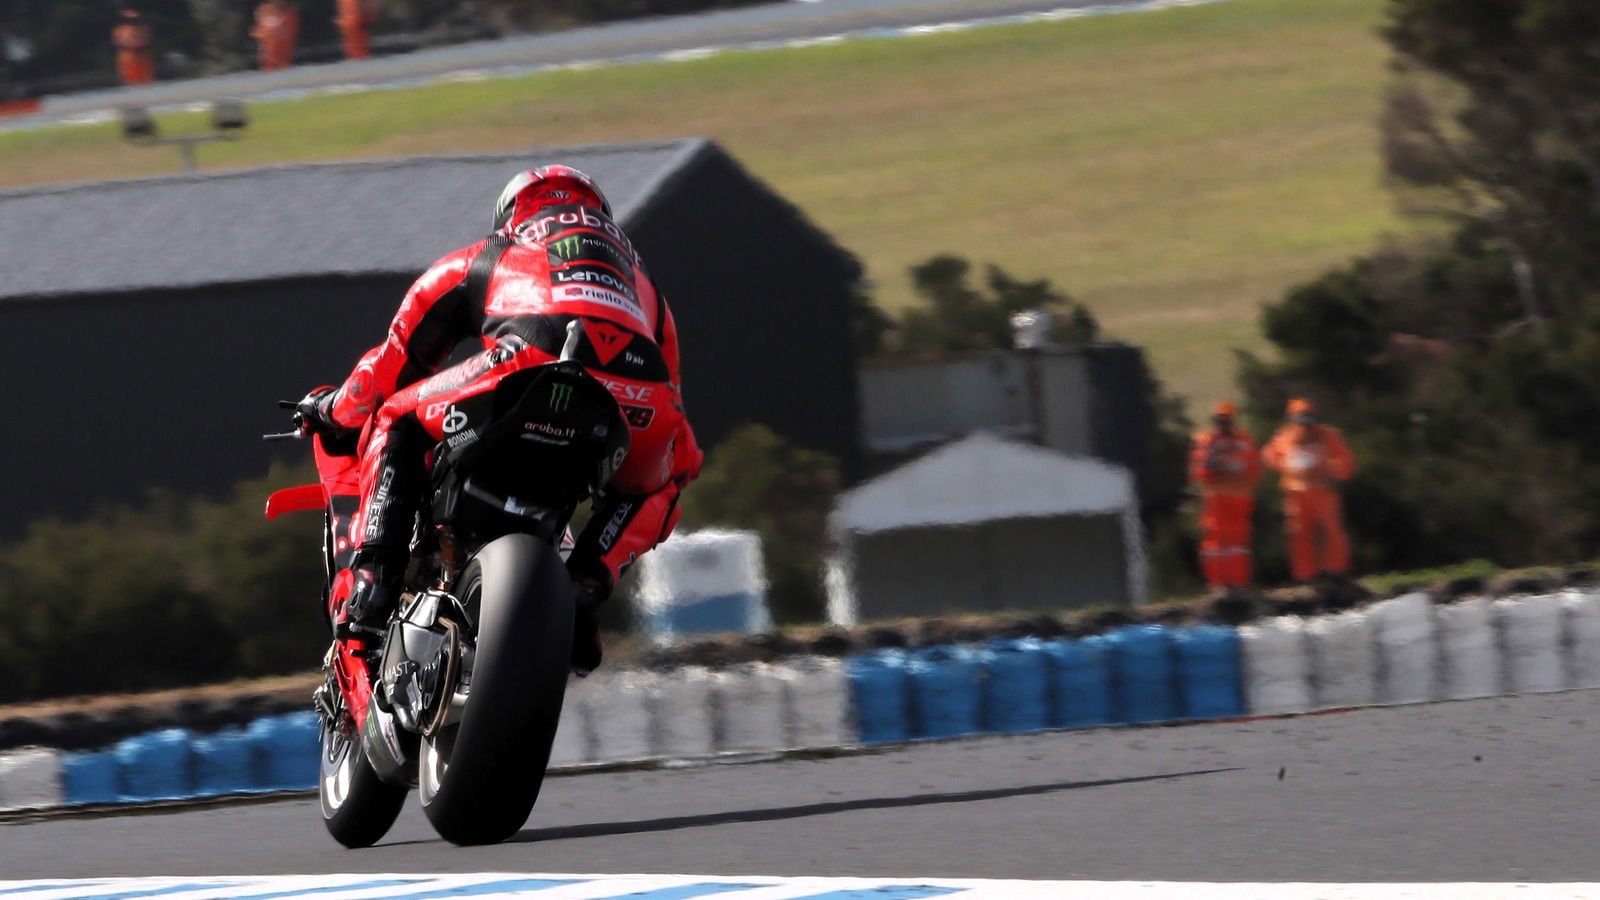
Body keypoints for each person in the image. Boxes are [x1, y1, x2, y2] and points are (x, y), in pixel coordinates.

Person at [295, 165, 702, 673]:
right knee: (660, 485)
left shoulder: (492, 251)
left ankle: (373, 586)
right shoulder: (650, 292)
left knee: (396, 420)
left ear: (510, 213)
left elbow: (387, 372)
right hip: (634, 394)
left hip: (525, 365)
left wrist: (330, 408)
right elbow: (679, 436)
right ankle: (584, 588)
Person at [1262, 397, 1354, 583]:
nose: (1305, 421)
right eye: (1300, 417)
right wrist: (1284, 467)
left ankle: (1336, 571)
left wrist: (1338, 476)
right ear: (1291, 418)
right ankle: (1305, 576)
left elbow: (1345, 457)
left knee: (1333, 531)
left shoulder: (1327, 435)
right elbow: (1269, 455)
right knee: (1299, 534)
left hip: (1323, 491)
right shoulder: (1284, 437)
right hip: (1296, 494)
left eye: (1308, 416)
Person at [1188, 400, 1259, 592]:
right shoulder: (1206, 442)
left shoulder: (1244, 441)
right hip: (1216, 497)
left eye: (1227, 419)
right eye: (1220, 419)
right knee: (1216, 541)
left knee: (1239, 541)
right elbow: (1197, 471)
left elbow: (1254, 468)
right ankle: (1219, 584)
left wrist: (1238, 471)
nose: (1224, 423)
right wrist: (1214, 466)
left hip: (1240, 498)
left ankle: (1240, 583)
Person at [250, 0, 300, 72]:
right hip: (266, 67)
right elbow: (260, 40)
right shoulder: (263, 12)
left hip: (284, 65)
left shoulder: (291, 16)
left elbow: (291, 40)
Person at [111, 8, 155, 86]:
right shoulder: (119, 30)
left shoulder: (143, 28)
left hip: (142, 57)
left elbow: (147, 40)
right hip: (128, 58)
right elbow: (118, 43)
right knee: (130, 82)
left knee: (146, 81)